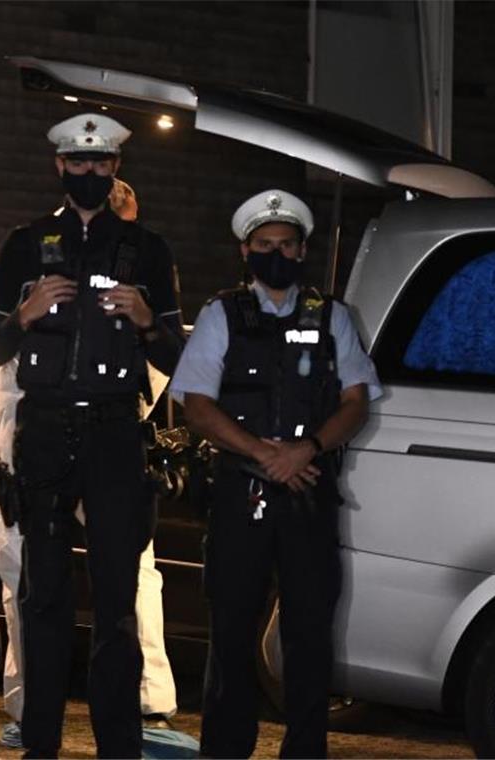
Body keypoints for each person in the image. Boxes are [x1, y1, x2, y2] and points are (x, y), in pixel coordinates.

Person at [0, 113, 185, 759]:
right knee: (43, 601)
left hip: (116, 434)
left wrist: (150, 322)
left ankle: (118, 748)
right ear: (59, 167)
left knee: (118, 604)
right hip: (44, 431)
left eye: (101, 164)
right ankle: (41, 745)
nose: (90, 173)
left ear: (116, 168)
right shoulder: (24, 243)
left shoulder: (148, 248)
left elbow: (180, 358)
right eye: (77, 163)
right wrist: (25, 313)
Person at [169, 190, 383, 758]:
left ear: (303, 249)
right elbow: (196, 405)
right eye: (265, 246)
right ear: (246, 250)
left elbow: (356, 401)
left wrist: (306, 449)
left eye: (286, 245)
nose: (276, 254)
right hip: (241, 495)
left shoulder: (332, 316)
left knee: (309, 640)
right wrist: (268, 456)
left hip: (309, 497)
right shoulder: (222, 315)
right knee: (232, 636)